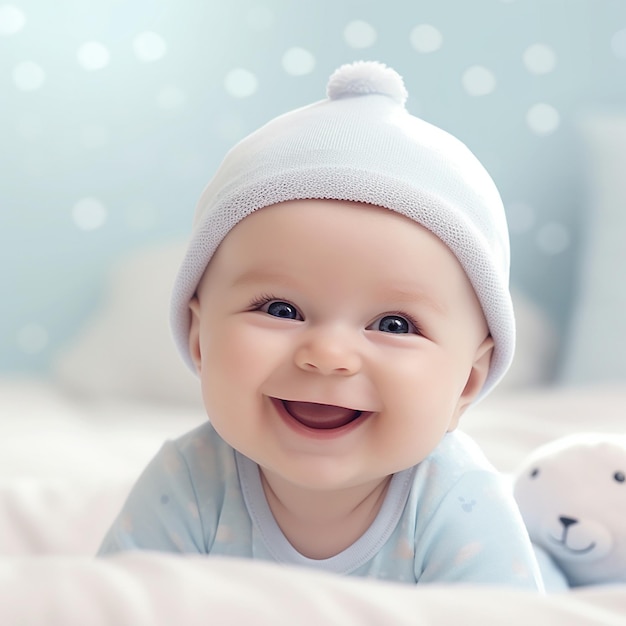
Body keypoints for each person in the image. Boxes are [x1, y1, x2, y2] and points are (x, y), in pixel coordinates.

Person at [98, 61, 542, 588]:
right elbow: (110, 605)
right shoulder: (190, 480)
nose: (328, 354)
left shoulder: (456, 500)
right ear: (200, 342)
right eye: (280, 310)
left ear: (466, 382)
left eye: (395, 324)